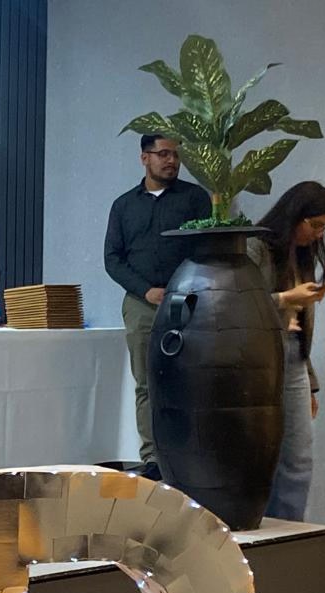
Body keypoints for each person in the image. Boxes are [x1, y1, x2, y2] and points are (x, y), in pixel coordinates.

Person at [104, 134, 212, 467]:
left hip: (186, 301)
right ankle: (152, 457)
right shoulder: (124, 205)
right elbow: (112, 259)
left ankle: (187, 454)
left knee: (187, 379)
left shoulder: (195, 198)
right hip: (141, 303)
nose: (172, 161)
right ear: (144, 158)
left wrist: (183, 288)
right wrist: (145, 290)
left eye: (176, 155)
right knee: (147, 382)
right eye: (163, 154)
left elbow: (205, 248)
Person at [247, 181, 325, 521]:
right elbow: (239, 305)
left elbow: (300, 329)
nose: (319, 234)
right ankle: (263, 532)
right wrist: (286, 299)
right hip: (257, 360)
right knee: (261, 455)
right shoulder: (256, 247)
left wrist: (310, 384)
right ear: (294, 216)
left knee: (299, 457)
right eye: (315, 224)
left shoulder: (303, 254)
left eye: (324, 227)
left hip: (294, 358)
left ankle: (291, 533)